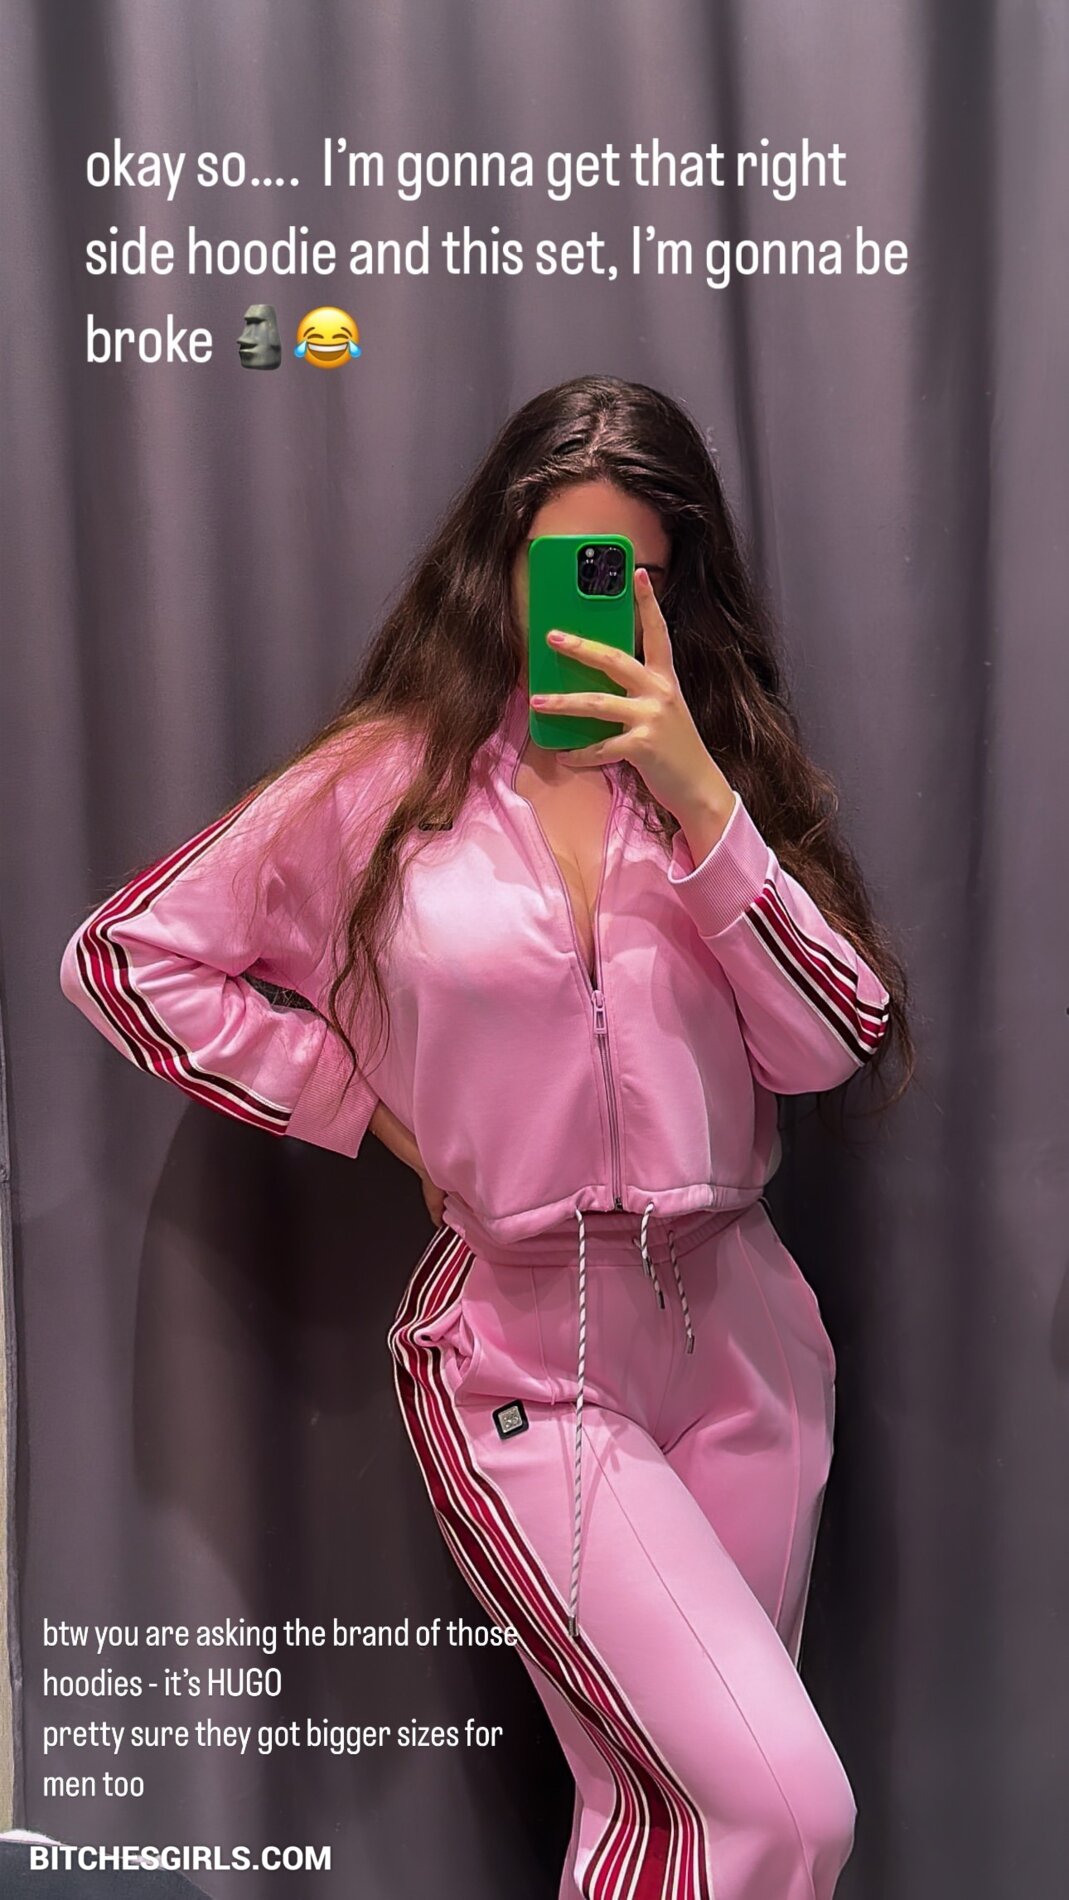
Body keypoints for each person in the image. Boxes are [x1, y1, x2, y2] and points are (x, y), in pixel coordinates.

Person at [60, 375, 912, 1900]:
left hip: (744, 1342)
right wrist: (357, 1103)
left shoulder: (712, 783)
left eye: (633, 573)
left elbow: (825, 1038)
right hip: (526, 1352)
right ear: (497, 563)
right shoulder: (383, 787)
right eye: (562, 565)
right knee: (780, 1808)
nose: (592, 603)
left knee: (660, 1811)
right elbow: (127, 959)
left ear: (677, 588)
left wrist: (700, 799)